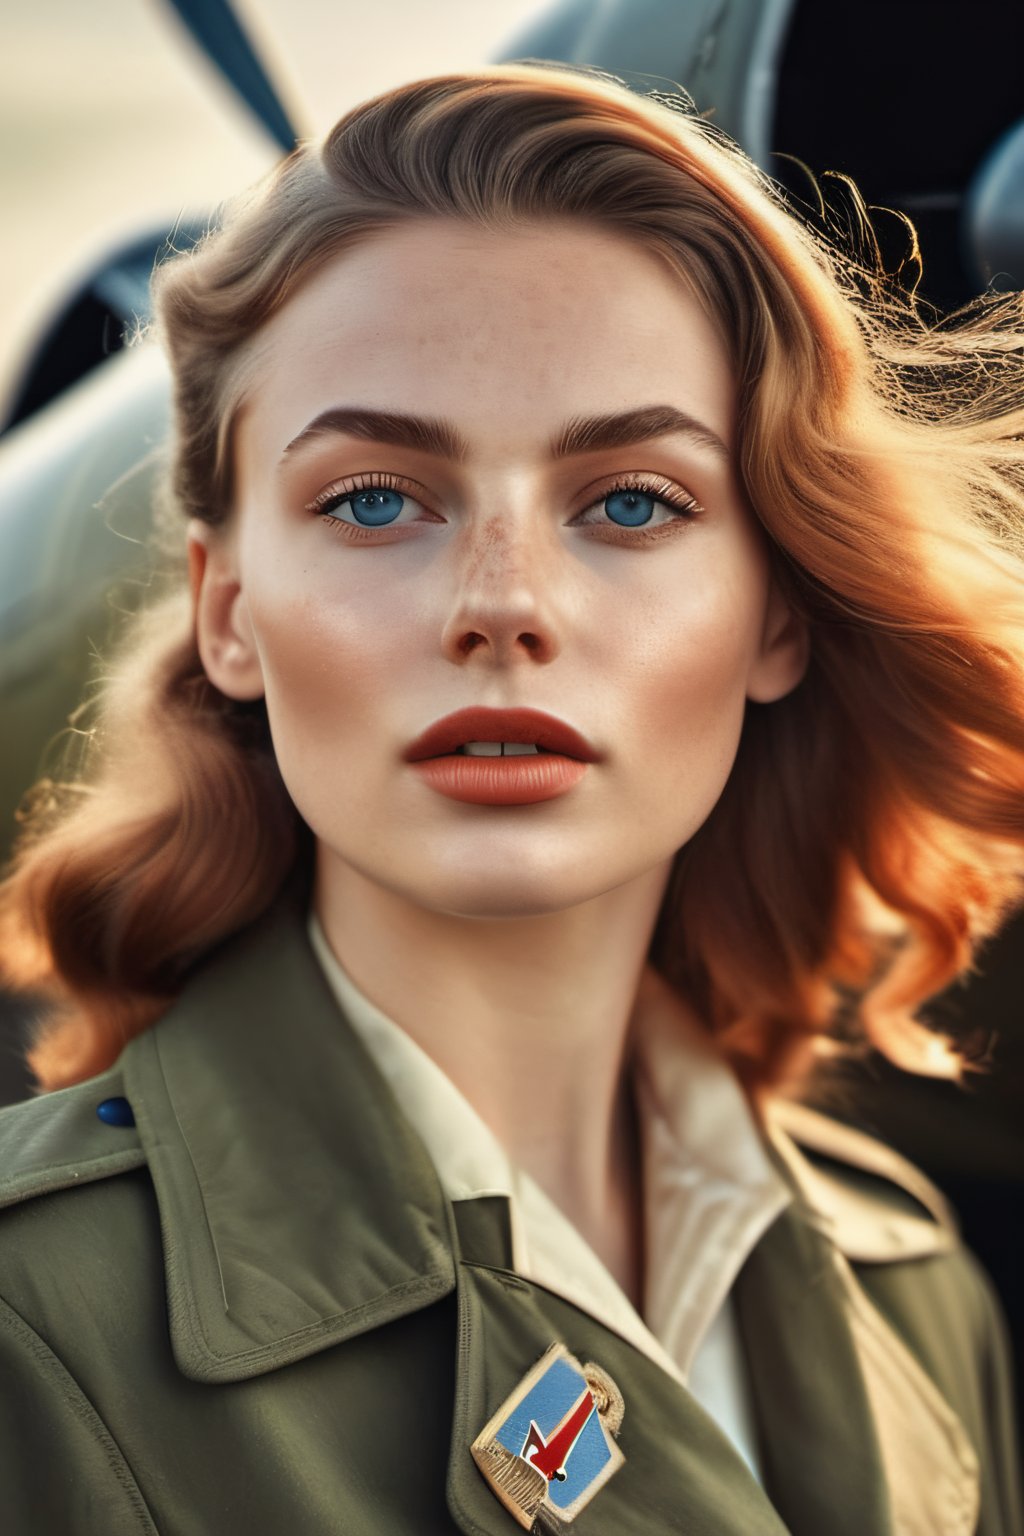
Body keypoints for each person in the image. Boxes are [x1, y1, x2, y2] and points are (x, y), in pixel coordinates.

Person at [0, 62, 1021, 1535]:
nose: (502, 607)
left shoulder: (914, 1290)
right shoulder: (31, 1325)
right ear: (228, 613)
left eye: (630, 503)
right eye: (372, 500)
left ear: (777, 616)